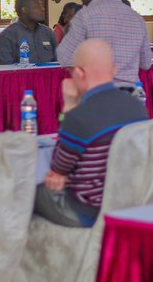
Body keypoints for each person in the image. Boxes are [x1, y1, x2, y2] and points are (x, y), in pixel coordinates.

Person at [34, 39, 147, 227]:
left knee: (27, 192)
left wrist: (69, 106)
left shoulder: (78, 117)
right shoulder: (137, 105)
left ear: (80, 72)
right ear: (113, 70)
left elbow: (58, 167)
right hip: (132, 205)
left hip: (90, 211)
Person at [56, 0, 153, 88]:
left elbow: (64, 58)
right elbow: (146, 63)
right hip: (131, 95)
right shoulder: (137, 18)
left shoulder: (85, 16)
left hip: (98, 93)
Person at [0, 0, 58, 65]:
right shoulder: (6, 37)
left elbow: (59, 61)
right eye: (36, 7)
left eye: (42, 6)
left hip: (50, 72)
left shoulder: (48, 32)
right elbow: (6, 69)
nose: (43, 9)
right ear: (24, 10)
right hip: (21, 72)